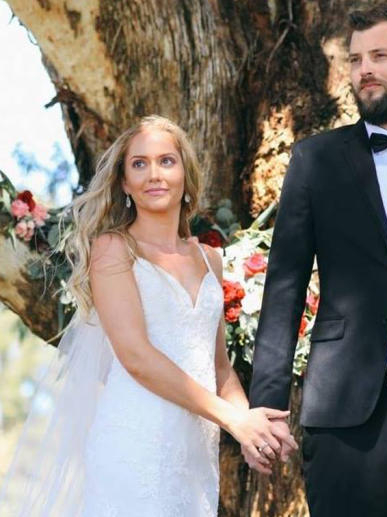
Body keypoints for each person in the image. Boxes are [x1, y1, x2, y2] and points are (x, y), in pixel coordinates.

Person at [246, 3, 387, 516]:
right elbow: (284, 285)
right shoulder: (315, 159)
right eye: (355, 60)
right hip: (345, 414)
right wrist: (267, 406)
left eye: (379, 55)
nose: (363, 69)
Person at [0, 115, 296, 516]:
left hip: (194, 456)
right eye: (138, 164)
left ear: (185, 175)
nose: (153, 174)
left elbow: (220, 367)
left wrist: (251, 431)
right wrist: (233, 420)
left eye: (166, 161)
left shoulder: (210, 260)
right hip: (134, 444)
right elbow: (135, 356)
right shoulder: (113, 249)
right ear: (124, 182)